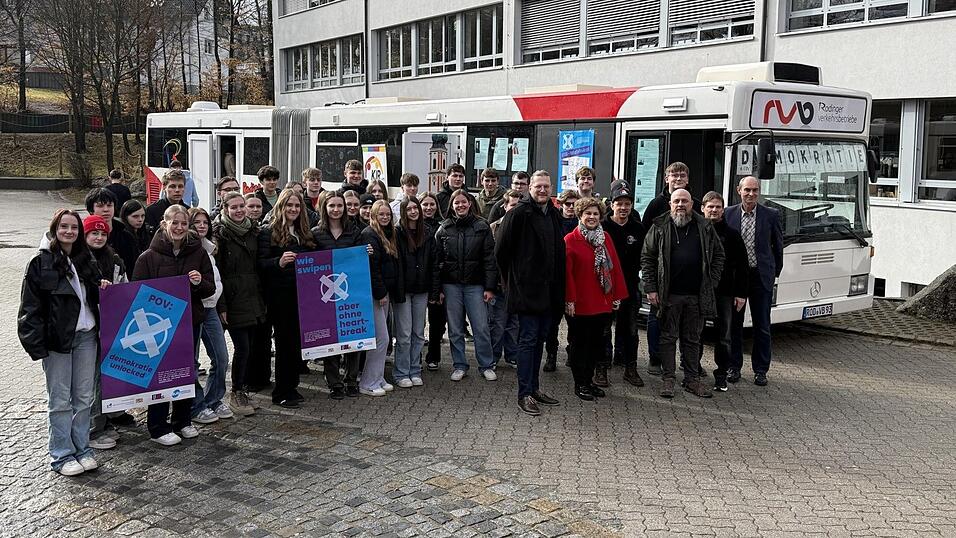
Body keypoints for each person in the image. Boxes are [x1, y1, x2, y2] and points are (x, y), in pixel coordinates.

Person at [19, 209, 109, 475]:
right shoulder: (40, 263)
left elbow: (90, 295)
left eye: (74, 227)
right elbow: (30, 308)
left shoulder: (84, 259)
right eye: (64, 227)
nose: (69, 231)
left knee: (83, 397)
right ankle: (61, 455)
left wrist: (100, 286)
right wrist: (36, 344)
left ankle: (82, 448)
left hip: (86, 336)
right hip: (58, 341)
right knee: (59, 400)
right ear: (55, 229)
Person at [133, 204, 215, 445]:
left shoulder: (198, 252)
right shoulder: (148, 257)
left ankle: (183, 420)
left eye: (183, 223)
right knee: (160, 374)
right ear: (164, 224)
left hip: (188, 321)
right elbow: (136, 293)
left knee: (186, 371)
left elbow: (209, 287)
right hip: (158, 327)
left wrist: (199, 282)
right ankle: (158, 426)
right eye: (174, 223)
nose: (179, 228)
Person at [641, 189, 724, 399]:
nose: (680, 204)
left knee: (692, 339)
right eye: (676, 201)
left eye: (684, 201)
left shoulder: (704, 227)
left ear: (692, 204)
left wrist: (711, 282)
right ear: (670, 204)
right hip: (669, 294)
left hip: (696, 295)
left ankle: (691, 379)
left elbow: (719, 255)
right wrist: (650, 288)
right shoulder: (659, 226)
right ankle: (668, 379)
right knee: (668, 337)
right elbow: (648, 258)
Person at [495, 170, 565, 416]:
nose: (543, 190)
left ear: (551, 187)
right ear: (530, 188)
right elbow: (501, 252)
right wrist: (513, 282)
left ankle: (534, 389)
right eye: (538, 186)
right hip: (526, 293)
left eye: (546, 186)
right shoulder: (517, 215)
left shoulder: (553, 214)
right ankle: (524, 393)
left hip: (549, 293)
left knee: (539, 342)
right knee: (527, 341)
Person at [640, 162, 702, 376]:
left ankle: (690, 365)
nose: (677, 178)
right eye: (673, 175)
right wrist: (650, 282)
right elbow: (646, 242)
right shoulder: (656, 204)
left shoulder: (697, 206)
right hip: (662, 282)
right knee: (657, 322)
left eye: (681, 175)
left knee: (690, 330)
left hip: (690, 288)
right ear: (666, 179)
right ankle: (656, 360)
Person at [564, 198, 628, 400]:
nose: (592, 217)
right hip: (581, 304)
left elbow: (615, 266)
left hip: (602, 301)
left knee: (596, 345)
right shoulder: (570, 240)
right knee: (579, 345)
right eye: (587, 214)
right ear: (580, 216)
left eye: (595, 214)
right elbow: (568, 275)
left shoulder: (605, 237)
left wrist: (617, 294)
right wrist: (570, 300)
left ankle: (589, 380)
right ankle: (580, 382)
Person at [211, 193, 268, 414]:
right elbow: (218, 274)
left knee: (251, 347)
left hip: (253, 296)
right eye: (233, 207)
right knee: (241, 347)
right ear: (225, 209)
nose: (239, 210)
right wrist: (222, 305)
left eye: (241, 206)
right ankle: (235, 392)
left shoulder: (253, 231)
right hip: (232, 298)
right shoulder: (220, 234)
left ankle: (242, 390)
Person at [724, 176, 784, 387]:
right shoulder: (728, 213)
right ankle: (734, 367)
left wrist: (773, 273)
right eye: (747, 190)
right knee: (735, 325)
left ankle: (760, 370)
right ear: (739, 190)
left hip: (761, 277)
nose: (751, 194)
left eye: (755, 190)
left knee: (762, 326)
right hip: (737, 278)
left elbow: (778, 247)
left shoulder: (771, 215)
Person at [258, 190, 314, 408]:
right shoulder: (268, 232)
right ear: (281, 206)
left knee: (296, 343)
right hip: (280, 296)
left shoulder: (304, 232)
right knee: (284, 344)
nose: (293, 209)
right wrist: (278, 262)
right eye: (289, 205)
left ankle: (292, 386)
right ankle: (281, 391)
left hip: (302, 295)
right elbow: (261, 264)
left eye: (297, 206)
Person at [434, 189, 497, 382]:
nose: (460, 205)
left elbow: (489, 259)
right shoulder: (444, 229)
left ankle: (486, 364)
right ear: (451, 206)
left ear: (470, 203)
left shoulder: (482, 226)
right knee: (455, 329)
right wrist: (439, 290)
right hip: (451, 285)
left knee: (481, 327)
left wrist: (489, 287)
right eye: (456, 203)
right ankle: (459, 365)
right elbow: (437, 262)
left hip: (475, 285)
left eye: (464, 202)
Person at [311, 191, 365, 399]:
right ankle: (334, 382)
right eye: (331, 206)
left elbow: (360, 260)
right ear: (325, 208)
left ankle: (351, 380)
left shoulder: (354, 232)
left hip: (350, 293)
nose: (336, 209)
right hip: (326, 296)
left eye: (339, 206)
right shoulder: (316, 233)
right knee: (330, 340)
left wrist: (365, 253)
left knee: (353, 338)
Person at [186, 208, 236, 422]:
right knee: (193, 362)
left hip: (212, 309)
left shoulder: (210, 249)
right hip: (195, 310)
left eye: (205, 222)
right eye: (196, 222)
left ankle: (213, 399)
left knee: (221, 358)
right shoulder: (188, 250)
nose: (202, 225)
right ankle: (196, 405)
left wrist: (221, 305)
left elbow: (217, 281)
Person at [83, 214, 127, 451]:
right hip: (90, 327)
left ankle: (105, 421)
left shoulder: (115, 260)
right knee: (93, 381)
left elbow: (124, 286)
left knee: (108, 377)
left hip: (111, 326)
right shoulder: (78, 260)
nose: (98, 237)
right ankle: (92, 429)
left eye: (102, 233)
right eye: (93, 233)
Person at [598, 179, 647, 388]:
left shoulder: (638, 228)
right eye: (619, 203)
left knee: (630, 331)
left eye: (627, 203)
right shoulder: (602, 226)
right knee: (603, 329)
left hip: (629, 286)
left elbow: (645, 258)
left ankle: (630, 368)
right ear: (612, 204)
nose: (624, 207)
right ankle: (601, 368)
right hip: (605, 288)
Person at [701, 191, 748, 392]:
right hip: (699, 291)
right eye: (710, 206)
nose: (714, 210)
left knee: (724, 336)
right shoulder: (695, 231)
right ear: (702, 208)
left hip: (725, 293)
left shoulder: (732, 235)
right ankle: (692, 370)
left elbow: (743, 267)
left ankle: (721, 374)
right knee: (696, 333)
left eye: (718, 207)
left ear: (723, 210)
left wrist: (741, 293)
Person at [360, 200, 404, 396]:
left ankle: (378, 377)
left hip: (385, 292)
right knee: (381, 339)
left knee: (382, 338)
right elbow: (372, 267)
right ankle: (368, 382)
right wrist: (380, 293)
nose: (385, 217)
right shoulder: (370, 235)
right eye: (381, 214)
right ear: (374, 216)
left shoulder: (388, 234)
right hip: (376, 294)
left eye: (388, 214)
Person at [393, 194, 436, 388]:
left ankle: (414, 369)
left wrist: (434, 291)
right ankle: (401, 372)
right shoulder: (396, 233)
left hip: (421, 289)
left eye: (415, 208)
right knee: (403, 334)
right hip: (403, 290)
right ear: (403, 211)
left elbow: (434, 264)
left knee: (418, 333)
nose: (413, 211)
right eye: (409, 209)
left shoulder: (427, 232)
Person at [543, 189, 581, 371]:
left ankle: (573, 352)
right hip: (555, 279)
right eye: (568, 204)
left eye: (574, 204)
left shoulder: (581, 224)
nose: (571, 207)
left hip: (575, 279)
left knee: (574, 322)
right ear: (561, 204)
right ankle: (551, 355)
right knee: (552, 323)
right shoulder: (553, 221)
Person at [488, 190, 521, 368]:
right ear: (505, 206)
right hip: (500, 285)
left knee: (514, 324)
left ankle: (512, 356)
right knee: (498, 324)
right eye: (512, 205)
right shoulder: (493, 228)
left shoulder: (526, 227)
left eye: (518, 206)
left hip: (518, 286)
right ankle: (493, 357)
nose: (515, 209)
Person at [85, 188, 139, 275]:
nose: (106, 209)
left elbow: (134, 267)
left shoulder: (126, 237)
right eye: (100, 206)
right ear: (91, 210)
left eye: (109, 205)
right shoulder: (82, 237)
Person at [419, 192, 446, 370]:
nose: (429, 208)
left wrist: (441, 288)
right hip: (419, 282)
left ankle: (433, 357)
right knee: (417, 323)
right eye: (425, 205)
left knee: (437, 323)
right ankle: (414, 359)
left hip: (439, 281)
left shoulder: (443, 227)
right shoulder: (413, 226)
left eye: (432, 204)